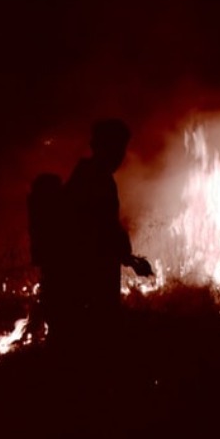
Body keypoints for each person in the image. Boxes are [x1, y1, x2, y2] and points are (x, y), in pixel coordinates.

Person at [47, 118, 152, 344]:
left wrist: (129, 259)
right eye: (116, 148)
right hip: (89, 273)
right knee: (96, 333)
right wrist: (128, 258)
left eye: (122, 149)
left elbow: (105, 227)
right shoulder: (94, 179)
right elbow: (99, 228)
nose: (120, 156)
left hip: (91, 269)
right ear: (102, 147)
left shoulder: (91, 176)